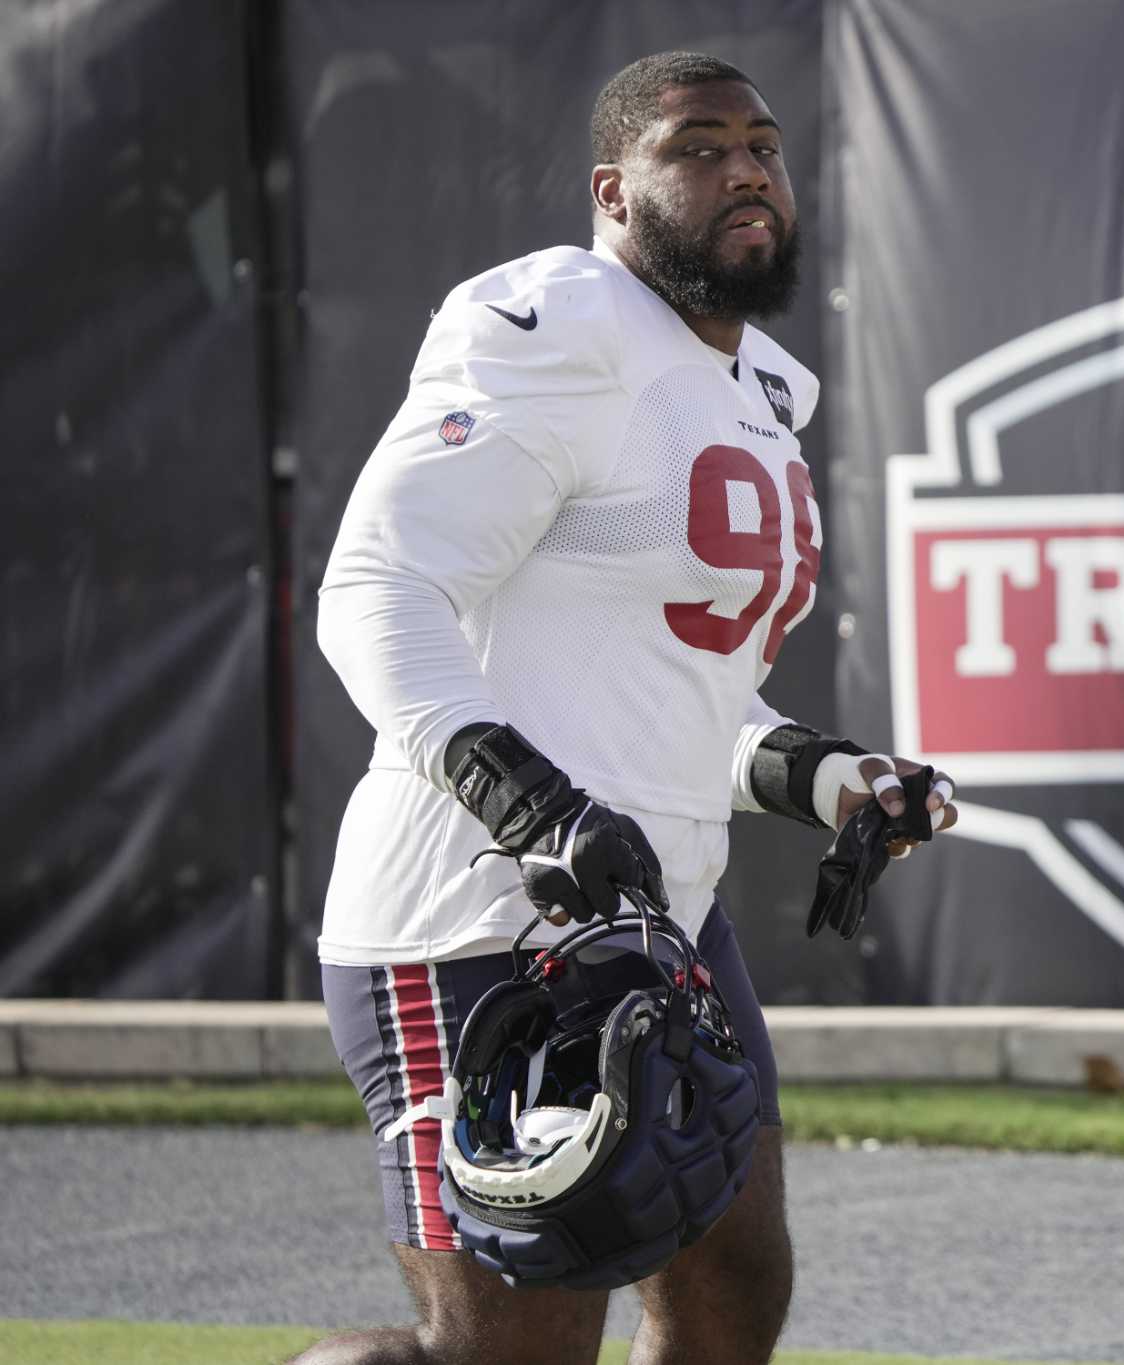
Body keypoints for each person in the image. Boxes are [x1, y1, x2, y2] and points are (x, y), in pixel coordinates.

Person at [296, 50, 956, 1365]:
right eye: (698, 145)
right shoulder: (561, 322)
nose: (745, 166)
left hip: (666, 916)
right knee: (501, 1351)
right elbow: (375, 585)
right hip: (479, 915)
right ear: (613, 189)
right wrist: (528, 800)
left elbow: (686, 696)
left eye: (761, 143)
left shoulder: (763, 386)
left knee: (733, 1290)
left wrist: (838, 780)